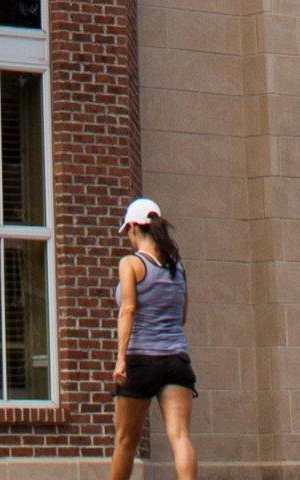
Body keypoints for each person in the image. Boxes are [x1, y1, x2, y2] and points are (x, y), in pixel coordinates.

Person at [107, 196, 198, 480]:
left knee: (125, 441)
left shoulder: (131, 263)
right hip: (176, 360)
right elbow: (182, 315)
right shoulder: (177, 266)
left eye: (128, 232)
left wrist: (121, 359)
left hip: (142, 360)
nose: (128, 238)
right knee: (180, 436)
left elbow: (129, 309)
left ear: (134, 227)